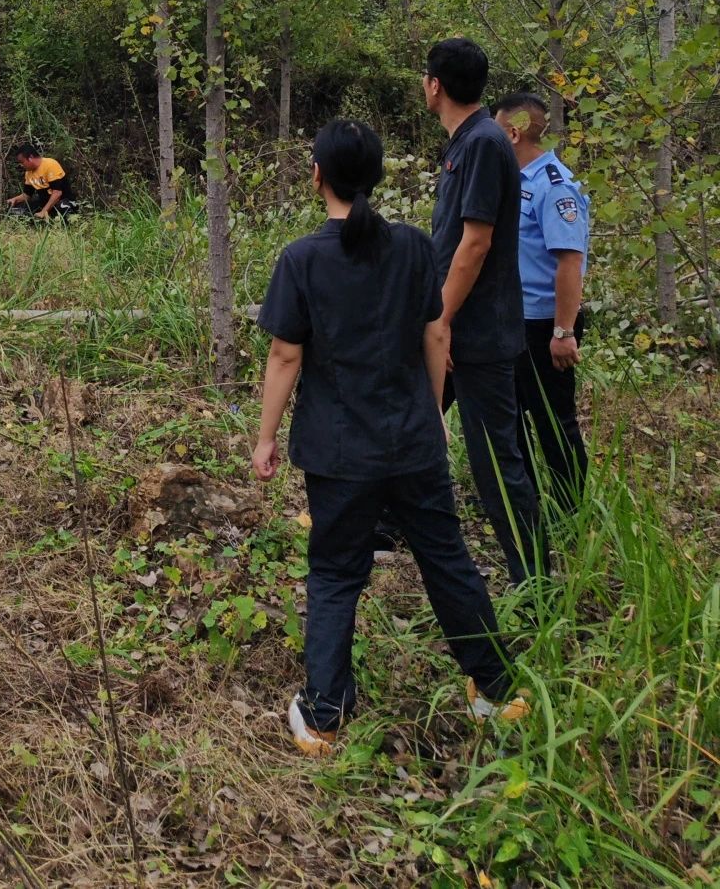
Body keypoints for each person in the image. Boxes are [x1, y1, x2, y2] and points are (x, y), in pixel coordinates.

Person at [252, 119, 528, 756]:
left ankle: (323, 718)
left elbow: (285, 357)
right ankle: (494, 690)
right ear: (376, 177)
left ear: (317, 175)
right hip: (412, 442)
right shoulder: (411, 247)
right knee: (446, 558)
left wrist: (265, 438)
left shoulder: (301, 259)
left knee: (333, 573)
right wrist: (430, 412)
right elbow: (436, 335)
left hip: (340, 450)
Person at [424, 38, 547, 584]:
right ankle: (385, 526)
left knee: (496, 462)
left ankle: (537, 583)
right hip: (457, 329)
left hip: (477, 336)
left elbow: (475, 244)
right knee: (410, 416)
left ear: (435, 85)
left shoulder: (481, 144)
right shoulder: (469, 142)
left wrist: (442, 323)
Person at [494, 92, 591, 513]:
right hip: (512, 321)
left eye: (497, 132)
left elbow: (570, 261)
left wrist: (563, 331)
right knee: (510, 418)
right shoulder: (514, 182)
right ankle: (526, 504)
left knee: (553, 423)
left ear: (513, 133)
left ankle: (572, 512)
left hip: (545, 326)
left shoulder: (555, 186)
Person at [5, 143, 77, 222]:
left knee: (63, 206)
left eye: (22, 162)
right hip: (45, 204)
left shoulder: (50, 165)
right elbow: (27, 195)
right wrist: (15, 200)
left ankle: (62, 222)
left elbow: (57, 193)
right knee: (18, 209)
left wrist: (44, 212)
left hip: (62, 201)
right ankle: (43, 220)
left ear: (31, 157)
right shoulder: (28, 173)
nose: (21, 165)